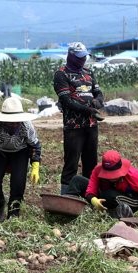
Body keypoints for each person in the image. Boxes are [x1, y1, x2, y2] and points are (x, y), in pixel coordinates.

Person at [0, 97, 42, 220]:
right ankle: (0, 204)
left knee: (18, 185)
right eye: (10, 122)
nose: (14, 124)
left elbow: (35, 145)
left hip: (20, 153)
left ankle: (13, 215)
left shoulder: (27, 127)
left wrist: (35, 164)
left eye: (16, 122)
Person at [53, 42, 106, 195]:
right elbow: (67, 101)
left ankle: (89, 194)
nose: (82, 60)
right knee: (71, 163)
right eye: (79, 57)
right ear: (71, 56)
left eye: (84, 57)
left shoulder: (89, 72)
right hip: (73, 126)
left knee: (91, 162)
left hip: (91, 124)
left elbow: (99, 92)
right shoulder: (61, 74)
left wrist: (98, 102)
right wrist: (89, 109)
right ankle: (66, 195)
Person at [72, 150, 138, 220]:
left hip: (131, 200)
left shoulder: (132, 174)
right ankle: (68, 206)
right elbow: (90, 191)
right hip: (106, 196)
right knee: (77, 180)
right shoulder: (98, 170)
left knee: (108, 195)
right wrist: (94, 201)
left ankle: (116, 213)